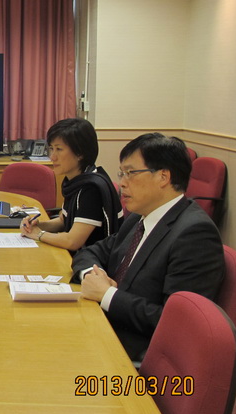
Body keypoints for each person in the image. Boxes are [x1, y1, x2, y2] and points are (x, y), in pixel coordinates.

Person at [71, 133, 224, 361]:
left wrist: (107, 294)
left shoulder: (194, 234)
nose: (122, 182)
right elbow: (91, 252)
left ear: (163, 177)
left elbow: (177, 322)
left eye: (130, 173)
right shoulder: (140, 217)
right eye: (121, 173)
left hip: (134, 351)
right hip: (102, 323)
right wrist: (94, 276)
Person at [21, 118, 122, 251]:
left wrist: (39, 234)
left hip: (93, 260)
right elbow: (63, 221)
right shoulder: (76, 180)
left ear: (80, 153)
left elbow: (73, 241)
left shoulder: (91, 189)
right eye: (51, 148)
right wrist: (37, 226)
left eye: (59, 149)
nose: (52, 157)